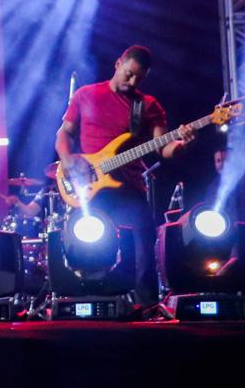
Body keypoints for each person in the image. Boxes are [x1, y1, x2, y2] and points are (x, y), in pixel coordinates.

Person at [56, 45, 195, 309]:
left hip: (129, 189)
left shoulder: (148, 105)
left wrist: (181, 144)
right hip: (89, 188)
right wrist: (67, 160)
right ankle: (87, 308)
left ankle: (146, 309)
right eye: (129, 74)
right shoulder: (86, 95)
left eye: (138, 79)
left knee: (142, 250)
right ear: (118, 63)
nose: (132, 82)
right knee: (83, 249)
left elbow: (163, 148)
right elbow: (64, 133)